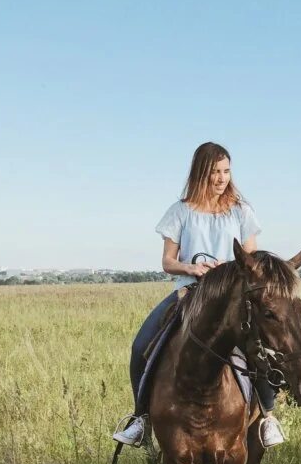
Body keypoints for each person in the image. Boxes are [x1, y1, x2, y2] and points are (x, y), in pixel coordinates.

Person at [113, 141, 287, 448]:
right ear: (200, 173)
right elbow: (167, 262)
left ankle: (268, 417)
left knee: (259, 345)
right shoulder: (180, 211)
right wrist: (191, 269)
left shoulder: (241, 212)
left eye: (226, 171)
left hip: (231, 296)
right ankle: (142, 418)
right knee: (143, 342)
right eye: (215, 172)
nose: (221, 178)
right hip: (190, 293)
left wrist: (230, 268)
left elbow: (253, 262)